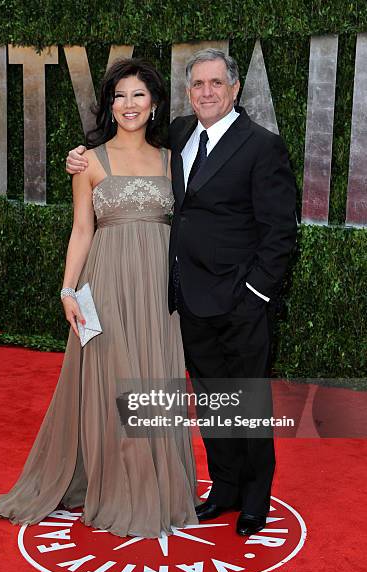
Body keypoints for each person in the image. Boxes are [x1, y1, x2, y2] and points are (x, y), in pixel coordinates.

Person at [66, 48, 297, 537]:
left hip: (241, 301)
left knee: (247, 402)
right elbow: (126, 165)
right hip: (185, 299)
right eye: (198, 85)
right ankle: (227, 488)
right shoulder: (177, 136)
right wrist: (78, 157)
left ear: (235, 89)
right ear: (187, 92)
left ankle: (255, 499)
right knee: (212, 400)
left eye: (216, 83)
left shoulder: (262, 145)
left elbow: (281, 231)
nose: (207, 92)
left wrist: (256, 294)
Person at [0, 58, 199, 538]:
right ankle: (119, 486)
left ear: (155, 104)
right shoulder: (88, 160)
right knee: (112, 386)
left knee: (155, 380)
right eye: (120, 95)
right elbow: (82, 229)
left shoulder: (173, 160)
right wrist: (68, 289)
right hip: (105, 283)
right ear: (110, 104)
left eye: (139, 95)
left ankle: (158, 486)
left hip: (158, 290)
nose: (129, 104)